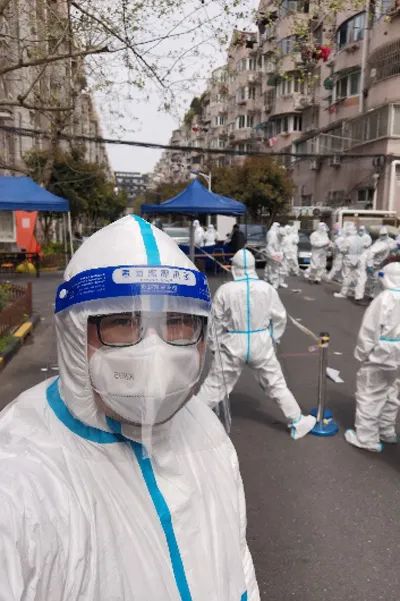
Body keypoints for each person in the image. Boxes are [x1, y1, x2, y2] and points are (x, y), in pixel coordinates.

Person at [0, 216, 260, 601]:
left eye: (178, 321)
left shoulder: (205, 429)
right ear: (74, 335)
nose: (155, 353)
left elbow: (238, 566)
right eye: (123, 322)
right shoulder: (20, 480)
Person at [195, 249, 316, 439]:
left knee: (215, 384)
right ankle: (297, 421)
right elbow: (280, 317)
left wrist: (214, 346)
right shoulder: (267, 288)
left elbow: (214, 323)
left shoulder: (226, 290)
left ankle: (191, 420)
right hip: (260, 341)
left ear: (234, 267)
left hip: (233, 341)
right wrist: (273, 337)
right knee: (276, 383)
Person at [345, 262, 400, 452]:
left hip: (383, 352)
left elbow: (369, 330)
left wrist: (362, 353)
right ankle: (387, 430)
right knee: (392, 391)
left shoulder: (384, 299)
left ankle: (367, 438)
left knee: (370, 393)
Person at [354, 226, 397, 301]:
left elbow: (387, 256)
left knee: (376, 279)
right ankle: (358, 297)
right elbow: (371, 253)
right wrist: (369, 265)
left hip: (375, 263)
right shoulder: (383, 245)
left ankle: (372, 296)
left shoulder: (390, 244)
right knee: (362, 278)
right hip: (365, 260)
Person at [334, 222, 365, 299]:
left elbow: (343, 250)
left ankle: (343, 293)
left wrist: (339, 248)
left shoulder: (348, 239)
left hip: (349, 258)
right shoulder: (360, 239)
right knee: (357, 277)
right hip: (359, 258)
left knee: (347, 276)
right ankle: (357, 294)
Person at [264, 222, 285, 289]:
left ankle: (279, 282)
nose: (282, 237)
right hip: (272, 255)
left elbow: (282, 247)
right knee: (274, 269)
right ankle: (273, 281)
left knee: (281, 268)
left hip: (278, 255)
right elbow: (269, 247)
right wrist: (273, 254)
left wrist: (281, 253)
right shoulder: (273, 236)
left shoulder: (282, 238)